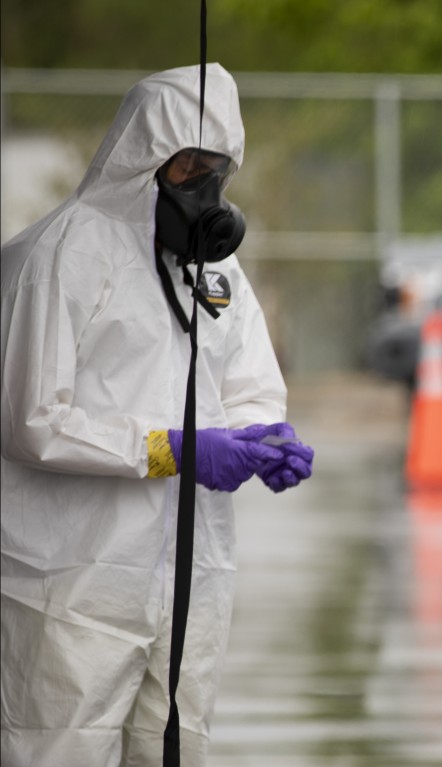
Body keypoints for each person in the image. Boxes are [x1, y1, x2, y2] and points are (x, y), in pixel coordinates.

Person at [0, 64, 314, 766]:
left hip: (188, 579)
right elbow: (31, 420)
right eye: (190, 166)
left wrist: (263, 435)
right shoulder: (63, 255)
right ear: (143, 159)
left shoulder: (214, 272)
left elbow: (250, 384)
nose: (207, 185)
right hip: (72, 584)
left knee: (175, 749)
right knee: (58, 750)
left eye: (219, 168)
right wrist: (172, 448)